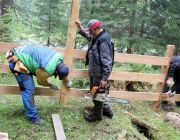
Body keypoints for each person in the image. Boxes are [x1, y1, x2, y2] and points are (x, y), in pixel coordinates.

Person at [5, 45, 73, 124]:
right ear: (57, 72)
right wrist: (51, 85)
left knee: (30, 88)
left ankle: (31, 107)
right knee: (29, 90)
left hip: (22, 54)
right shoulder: (46, 70)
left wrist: (67, 81)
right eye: (58, 75)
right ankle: (33, 118)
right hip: (17, 61)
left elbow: (62, 70)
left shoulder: (58, 56)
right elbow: (41, 82)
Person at [75, 19, 114, 122]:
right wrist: (81, 28)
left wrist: (104, 78)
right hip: (95, 71)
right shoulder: (97, 37)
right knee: (99, 93)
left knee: (97, 95)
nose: (89, 33)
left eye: (90, 31)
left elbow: (107, 61)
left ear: (95, 29)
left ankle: (97, 115)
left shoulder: (103, 40)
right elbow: (89, 37)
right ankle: (107, 111)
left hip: (99, 73)